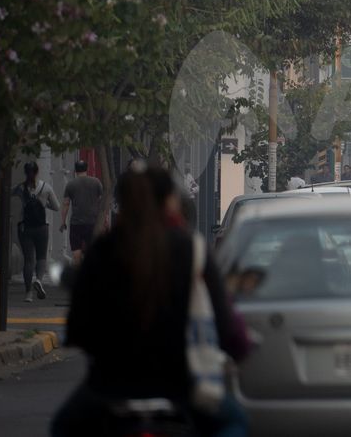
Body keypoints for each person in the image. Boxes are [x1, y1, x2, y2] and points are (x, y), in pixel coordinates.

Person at [52, 169, 250, 437]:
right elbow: (227, 328)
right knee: (234, 422)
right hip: (181, 387)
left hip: (109, 389)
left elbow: (78, 330)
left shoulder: (103, 249)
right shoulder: (190, 247)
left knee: (62, 427)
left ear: (119, 202)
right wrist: (240, 348)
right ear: (170, 200)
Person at [14, 162, 60, 302]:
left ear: (25, 172)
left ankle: (28, 293)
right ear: (37, 171)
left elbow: (4, 192)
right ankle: (39, 280)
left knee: (28, 260)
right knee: (41, 257)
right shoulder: (46, 187)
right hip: (42, 227)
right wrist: (43, 202)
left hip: (25, 227)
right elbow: (57, 207)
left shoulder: (20, 188)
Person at [61, 161, 104, 266]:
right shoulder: (96, 182)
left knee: (76, 252)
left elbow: (66, 204)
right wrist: (103, 219)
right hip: (92, 222)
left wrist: (63, 221)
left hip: (76, 223)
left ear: (75, 170)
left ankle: (78, 275)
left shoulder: (70, 184)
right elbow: (101, 202)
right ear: (87, 168)